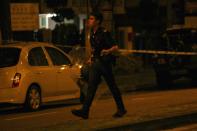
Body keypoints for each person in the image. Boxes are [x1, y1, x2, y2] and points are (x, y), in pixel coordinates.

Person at [71, 11, 126, 119]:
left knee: (112, 86)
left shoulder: (104, 33)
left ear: (98, 21)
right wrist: (90, 59)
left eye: (91, 19)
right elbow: (94, 50)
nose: (89, 21)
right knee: (91, 87)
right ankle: (85, 111)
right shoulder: (91, 33)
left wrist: (108, 51)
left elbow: (115, 47)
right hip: (96, 64)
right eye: (89, 19)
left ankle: (121, 109)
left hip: (105, 64)